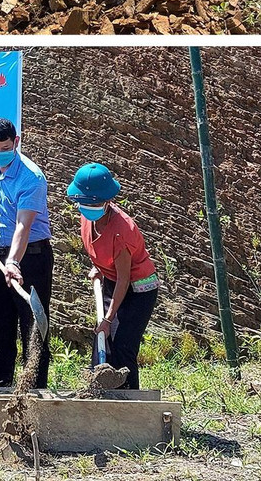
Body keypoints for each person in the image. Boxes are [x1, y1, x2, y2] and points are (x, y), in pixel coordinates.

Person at [0, 117, 53, 389]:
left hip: (31, 258)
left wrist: (14, 262)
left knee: (33, 327)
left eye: (5, 148)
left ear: (16, 143)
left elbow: (23, 226)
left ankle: (33, 390)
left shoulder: (32, 177)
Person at [66, 163, 160, 390]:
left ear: (107, 201)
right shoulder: (87, 216)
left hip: (138, 289)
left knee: (122, 346)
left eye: (95, 203)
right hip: (111, 281)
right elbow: (97, 247)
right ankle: (98, 395)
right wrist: (98, 266)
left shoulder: (122, 230)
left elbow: (124, 279)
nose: (89, 207)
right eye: (85, 202)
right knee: (103, 342)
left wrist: (108, 319)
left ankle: (128, 404)